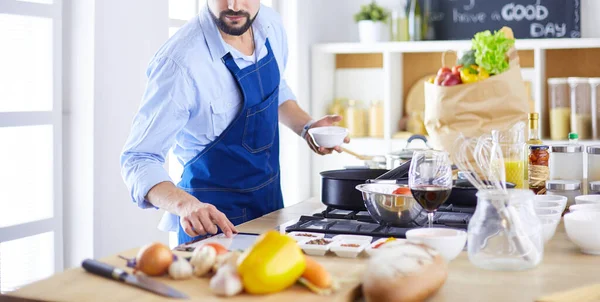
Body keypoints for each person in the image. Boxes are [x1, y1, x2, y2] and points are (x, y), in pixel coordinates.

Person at [120, 0, 348, 245]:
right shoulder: (180, 63)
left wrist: (307, 127)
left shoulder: (270, 25)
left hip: (270, 208)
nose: (235, 5)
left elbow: (275, 88)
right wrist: (186, 206)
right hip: (214, 226)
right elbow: (138, 158)